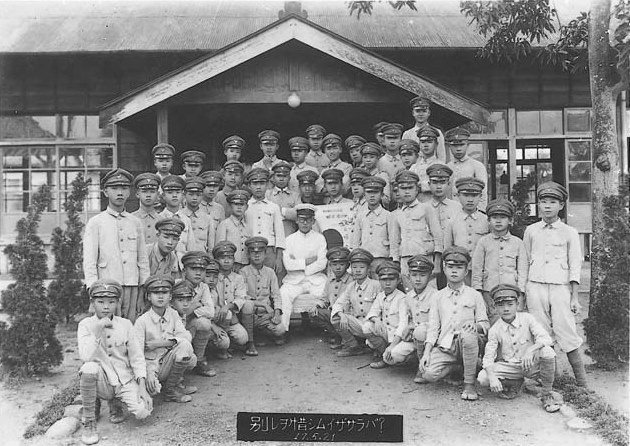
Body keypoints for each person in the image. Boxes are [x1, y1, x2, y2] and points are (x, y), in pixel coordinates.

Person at [523, 182, 587, 387]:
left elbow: (575, 265)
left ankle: (582, 383)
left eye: (553, 202)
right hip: (535, 286)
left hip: (560, 287)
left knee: (566, 330)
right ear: (538, 204)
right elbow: (524, 261)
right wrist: (524, 291)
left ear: (561, 205)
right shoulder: (531, 230)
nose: (547, 206)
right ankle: (552, 378)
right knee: (541, 331)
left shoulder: (569, 232)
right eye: (543, 202)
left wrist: (575, 296)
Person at [78, 279, 152, 445]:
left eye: (111, 302)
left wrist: (142, 387)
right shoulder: (85, 325)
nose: (106, 307)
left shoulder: (125, 324)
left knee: (143, 412)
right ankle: (89, 420)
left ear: (118, 303)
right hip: (102, 380)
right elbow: (85, 355)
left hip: (123, 380)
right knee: (88, 367)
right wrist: (97, 330)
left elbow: (137, 357)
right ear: (92, 302)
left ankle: (115, 402)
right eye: (100, 302)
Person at [416, 246, 489, 401]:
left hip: (468, 344)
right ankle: (457, 367)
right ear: (444, 269)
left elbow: (485, 323)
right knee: (428, 374)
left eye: (459, 267)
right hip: (446, 346)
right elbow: (434, 327)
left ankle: (469, 384)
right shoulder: (438, 296)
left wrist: (476, 326)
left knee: (468, 336)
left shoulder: (474, 295)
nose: (454, 271)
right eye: (450, 267)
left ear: (466, 271)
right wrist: (427, 352)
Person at [477, 284, 560, 412]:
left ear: (517, 304)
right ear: (494, 307)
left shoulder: (528, 318)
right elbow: (488, 358)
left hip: (531, 364)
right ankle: (515, 383)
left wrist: (530, 350)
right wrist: (492, 378)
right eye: (501, 305)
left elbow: (546, 338)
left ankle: (547, 394)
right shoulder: (495, 330)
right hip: (511, 367)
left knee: (547, 351)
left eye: (510, 304)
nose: (506, 309)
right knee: (483, 378)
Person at [84, 168, 150, 322]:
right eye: (114, 188)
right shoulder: (96, 223)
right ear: (105, 192)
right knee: (108, 330)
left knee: (130, 328)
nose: (119, 193)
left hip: (132, 286)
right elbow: (89, 261)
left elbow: (142, 260)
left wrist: (143, 289)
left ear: (129, 192)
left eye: (124, 188)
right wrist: (94, 292)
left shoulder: (135, 222)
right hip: (106, 287)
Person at [134, 275, 197, 404]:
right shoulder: (142, 321)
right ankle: (160, 385)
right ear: (148, 297)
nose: (161, 296)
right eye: (156, 293)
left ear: (170, 296)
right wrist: (148, 373)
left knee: (187, 350)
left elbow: (186, 336)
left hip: (167, 361)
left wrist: (161, 343)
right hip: (151, 366)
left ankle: (171, 389)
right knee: (152, 391)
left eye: (165, 292)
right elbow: (136, 354)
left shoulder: (173, 314)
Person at [472, 199, 528, 325]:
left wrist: (521, 294)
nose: (498, 221)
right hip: (489, 291)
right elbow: (477, 270)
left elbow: (523, 270)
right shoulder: (483, 242)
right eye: (494, 217)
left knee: (513, 322)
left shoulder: (517, 242)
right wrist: (479, 294)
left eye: (503, 217)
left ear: (510, 221)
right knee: (493, 321)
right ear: (488, 221)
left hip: (512, 290)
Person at [279, 204, 328, 331]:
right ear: (296, 221)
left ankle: (329, 329)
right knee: (283, 293)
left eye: (308, 220)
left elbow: (322, 263)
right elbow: (288, 265)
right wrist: (308, 261)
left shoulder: (320, 239)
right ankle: (282, 330)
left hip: (315, 279)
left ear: (313, 221)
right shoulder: (289, 240)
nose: (305, 223)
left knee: (327, 293)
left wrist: (300, 265)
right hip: (294, 280)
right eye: (301, 219)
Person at [392, 170, 443, 278]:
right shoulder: (397, 214)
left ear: (417, 190)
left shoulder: (426, 208)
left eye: (410, 188)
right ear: (398, 191)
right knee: (409, 292)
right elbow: (395, 242)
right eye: (403, 188)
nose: (407, 192)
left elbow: (438, 236)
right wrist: (396, 263)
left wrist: (437, 264)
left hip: (425, 257)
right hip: (405, 259)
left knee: (429, 291)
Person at [239, 236, 287, 350]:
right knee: (247, 308)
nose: (256, 255)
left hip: (266, 314)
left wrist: (276, 313)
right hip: (250, 314)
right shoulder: (243, 272)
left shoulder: (270, 272)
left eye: (260, 252)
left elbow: (276, 295)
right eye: (253, 252)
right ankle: (252, 338)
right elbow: (243, 297)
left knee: (280, 329)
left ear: (265, 254)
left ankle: (263, 334)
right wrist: (263, 305)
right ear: (249, 255)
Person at [331, 248, 380, 357]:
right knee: (336, 318)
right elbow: (338, 303)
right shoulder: (351, 286)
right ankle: (354, 347)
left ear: (368, 269)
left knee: (374, 343)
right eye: (354, 267)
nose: (358, 270)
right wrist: (341, 315)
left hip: (374, 326)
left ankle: (378, 347)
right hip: (359, 325)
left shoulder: (376, 285)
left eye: (362, 267)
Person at [362, 261, 411, 369]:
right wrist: (376, 320)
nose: (387, 283)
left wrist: (393, 344)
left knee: (395, 357)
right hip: (386, 332)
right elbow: (372, 312)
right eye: (384, 280)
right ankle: (383, 353)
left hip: (397, 336)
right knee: (367, 326)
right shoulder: (381, 296)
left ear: (398, 281)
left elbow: (403, 324)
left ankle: (388, 355)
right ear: (379, 281)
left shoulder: (402, 298)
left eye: (391, 280)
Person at [352, 176, 399, 278]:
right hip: (364, 260)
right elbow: (356, 240)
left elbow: (394, 239)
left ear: (382, 194)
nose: (372, 196)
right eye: (369, 193)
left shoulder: (388, 215)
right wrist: (355, 258)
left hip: (382, 259)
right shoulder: (361, 216)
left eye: (376, 192)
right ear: (364, 194)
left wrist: (394, 259)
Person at [178, 252, 217, 377]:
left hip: (188, 324)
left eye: (202, 269)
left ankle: (199, 360)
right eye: (194, 269)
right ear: (184, 270)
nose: (198, 273)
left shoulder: (203, 287)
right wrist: (194, 306)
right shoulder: (177, 285)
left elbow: (211, 311)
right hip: (175, 327)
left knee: (205, 323)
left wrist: (193, 312)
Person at [212, 241, 251, 357]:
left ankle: (230, 344)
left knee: (243, 338)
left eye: (230, 257)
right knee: (223, 342)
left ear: (234, 260)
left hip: (231, 318)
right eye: (222, 258)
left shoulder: (238, 278)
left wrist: (228, 306)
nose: (226, 261)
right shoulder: (212, 277)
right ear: (216, 260)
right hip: (215, 318)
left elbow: (241, 298)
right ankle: (218, 347)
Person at [310, 247, 353, 348]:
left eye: (341, 264)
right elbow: (324, 298)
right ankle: (336, 334)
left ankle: (348, 338)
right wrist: (316, 305)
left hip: (347, 315)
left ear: (347, 266)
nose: (338, 268)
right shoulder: (330, 280)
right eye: (334, 265)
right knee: (315, 313)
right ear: (330, 265)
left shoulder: (352, 281)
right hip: (334, 313)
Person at [245, 167, 286, 272]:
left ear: (267, 185)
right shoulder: (245, 206)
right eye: (255, 184)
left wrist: (278, 258)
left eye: (262, 183)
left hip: (269, 251)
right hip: (250, 250)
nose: (259, 187)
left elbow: (280, 234)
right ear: (249, 185)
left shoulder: (273, 207)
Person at [427, 164, 462, 289]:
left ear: (448, 184)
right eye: (435, 182)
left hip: (453, 259)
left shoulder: (457, 207)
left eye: (442, 182)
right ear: (429, 184)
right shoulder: (423, 207)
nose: (438, 186)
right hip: (429, 258)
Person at [404, 255, 438, 383]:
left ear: (430, 276)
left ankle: (422, 367)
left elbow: (436, 322)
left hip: (431, 336)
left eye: (422, 275)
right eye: (414, 275)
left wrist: (416, 328)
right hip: (415, 337)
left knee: (420, 331)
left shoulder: (435, 295)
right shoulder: (409, 296)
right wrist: (409, 327)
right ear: (409, 276)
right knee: (395, 355)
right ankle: (414, 360)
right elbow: (409, 317)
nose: (418, 279)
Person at [443, 177, 489, 266]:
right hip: (459, 268)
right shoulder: (452, 221)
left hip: (482, 268)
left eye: (474, 195)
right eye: (466, 195)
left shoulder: (486, 220)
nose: (470, 200)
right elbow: (447, 249)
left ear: (480, 196)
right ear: (458, 195)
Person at [445, 127, 488, 210]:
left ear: (467, 145)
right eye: (454, 145)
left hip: (470, 212)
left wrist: (479, 213)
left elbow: (483, 195)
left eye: (461, 145)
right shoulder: (447, 167)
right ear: (449, 146)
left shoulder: (477, 166)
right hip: (450, 213)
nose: (458, 149)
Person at [158, 175, 200, 257]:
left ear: (183, 196)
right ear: (163, 196)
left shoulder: (186, 220)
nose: (174, 196)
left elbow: (191, 248)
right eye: (170, 193)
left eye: (178, 192)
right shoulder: (159, 219)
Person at [215, 189, 252, 271]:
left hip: (245, 265)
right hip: (229, 265)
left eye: (242, 204)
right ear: (230, 206)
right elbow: (219, 249)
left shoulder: (248, 226)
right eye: (235, 204)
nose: (239, 207)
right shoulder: (224, 224)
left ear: (246, 207)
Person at [402, 96, 447, 162]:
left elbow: (441, 156)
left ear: (429, 113)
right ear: (413, 113)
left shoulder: (437, 132)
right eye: (417, 111)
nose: (421, 114)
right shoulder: (407, 134)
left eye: (424, 111)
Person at [181, 176, 216, 254]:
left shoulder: (208, 219)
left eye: (198, 195)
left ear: (202, 195)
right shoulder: (179, 216)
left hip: (202, 258)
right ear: (184, 195)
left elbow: (211, 247)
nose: (194, 198)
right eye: (191, 194)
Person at [267, 160, 300, 237]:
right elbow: (265, 213)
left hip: (290, 235)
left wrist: (281, 211)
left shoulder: (295, 196)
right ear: (273, 177)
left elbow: (298, 214)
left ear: (289, 178)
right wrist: (289, 213)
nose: (281, 179)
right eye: (278, 176)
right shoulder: (267, 194)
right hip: (271, 235)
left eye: (284, 176)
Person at [411, 127, 442, 202]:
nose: (426, 145)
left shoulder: (441, 166)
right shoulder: (414, 167)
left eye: (429, 142)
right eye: (423, 142)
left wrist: (420, 186)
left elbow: (439, 185)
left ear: (436, 144)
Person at [132, 173, 162, 246]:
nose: (148, 195)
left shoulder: (163, 220)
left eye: (152, 192)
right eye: (144, 191)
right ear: (137, 194)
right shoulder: (130, 219)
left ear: (158, 195)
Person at [360, 142, 391, 208]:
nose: (368, 160)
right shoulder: (361, 175)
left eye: (372, 157)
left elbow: (386, 199)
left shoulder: (382, 175)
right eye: (365, 157)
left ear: (378, 158)